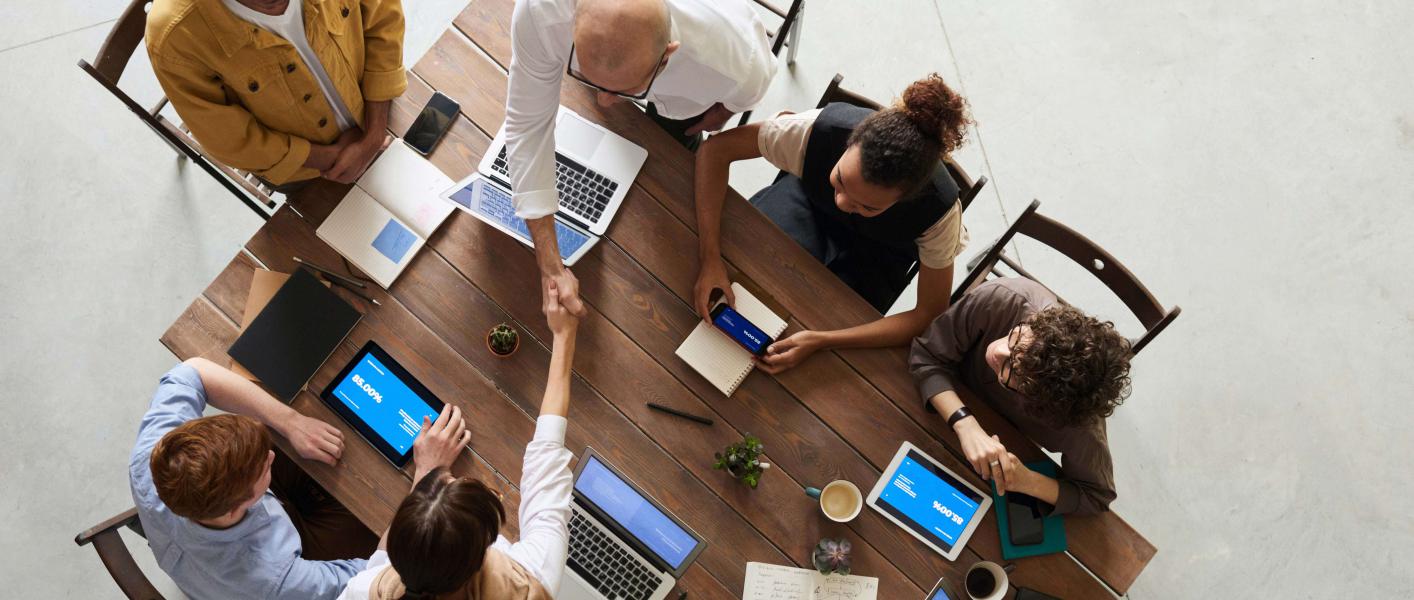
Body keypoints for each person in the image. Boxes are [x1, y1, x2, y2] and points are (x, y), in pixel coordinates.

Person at [506, 0, 777, 322]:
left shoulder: (736, 64)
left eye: (624, 90)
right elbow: (527, 128)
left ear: (667, 55)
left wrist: (722, 113)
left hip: (687, 101)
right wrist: (550, 265)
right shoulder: (540, 11)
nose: (604, 102)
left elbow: (747, 91)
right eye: (589, 78)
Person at [693, 73, 974, 374]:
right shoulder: (817, 131)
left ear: (906, 198)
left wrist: (822, 341)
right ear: (849, 143)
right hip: (806, 205)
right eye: (840, 180)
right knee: (744, 272)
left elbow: (928, 313)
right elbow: (715, 151)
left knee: (821, 342)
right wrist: (710, 259)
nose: (842, 202)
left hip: (880, 256)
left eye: (867, 206)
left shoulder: (939, 214)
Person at [338, 282, 580, 600]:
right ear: (482, 554)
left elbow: (379, 563)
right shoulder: (530, 582)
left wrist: (426, 472)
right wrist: (564, 335)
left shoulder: (367, 590)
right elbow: (546, 471)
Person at [130, 358, 379, 599]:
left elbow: (193, 370)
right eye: (264, 467)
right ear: (234, 510)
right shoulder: (275, 580)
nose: (271, 456)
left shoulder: (155, 456)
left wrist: (291, 422)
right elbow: (372, 582)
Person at [909, 277, 1134, 515]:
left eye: (1013, 370)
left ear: (1039, 401)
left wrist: (1027, 481)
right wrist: (966, 425)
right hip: (931, 405)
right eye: (1016, 338)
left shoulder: (1078, 423)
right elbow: (926, 356)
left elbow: (1096, 496)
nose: (998, 351)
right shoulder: (1003, 299)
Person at [146, 0, 407, 186]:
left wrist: (373, 135)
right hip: (307, 172)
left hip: (379, 110)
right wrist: (332, 159)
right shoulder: (172, 36)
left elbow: (384, 20)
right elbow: (229, 140)